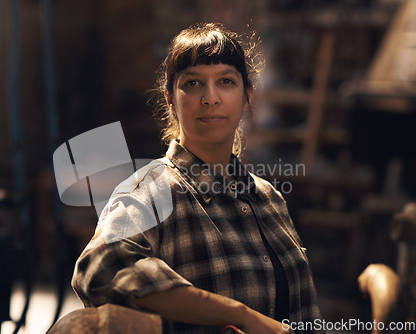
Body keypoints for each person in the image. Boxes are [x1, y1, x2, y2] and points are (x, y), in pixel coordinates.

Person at [72, 23, 323, 334]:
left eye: (226, 82)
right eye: (192, 84)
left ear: (246, 97)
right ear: (169, 99)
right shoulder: (152, 191)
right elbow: (101, 268)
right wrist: (241, 315)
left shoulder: (269, 198)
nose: (210, 98)